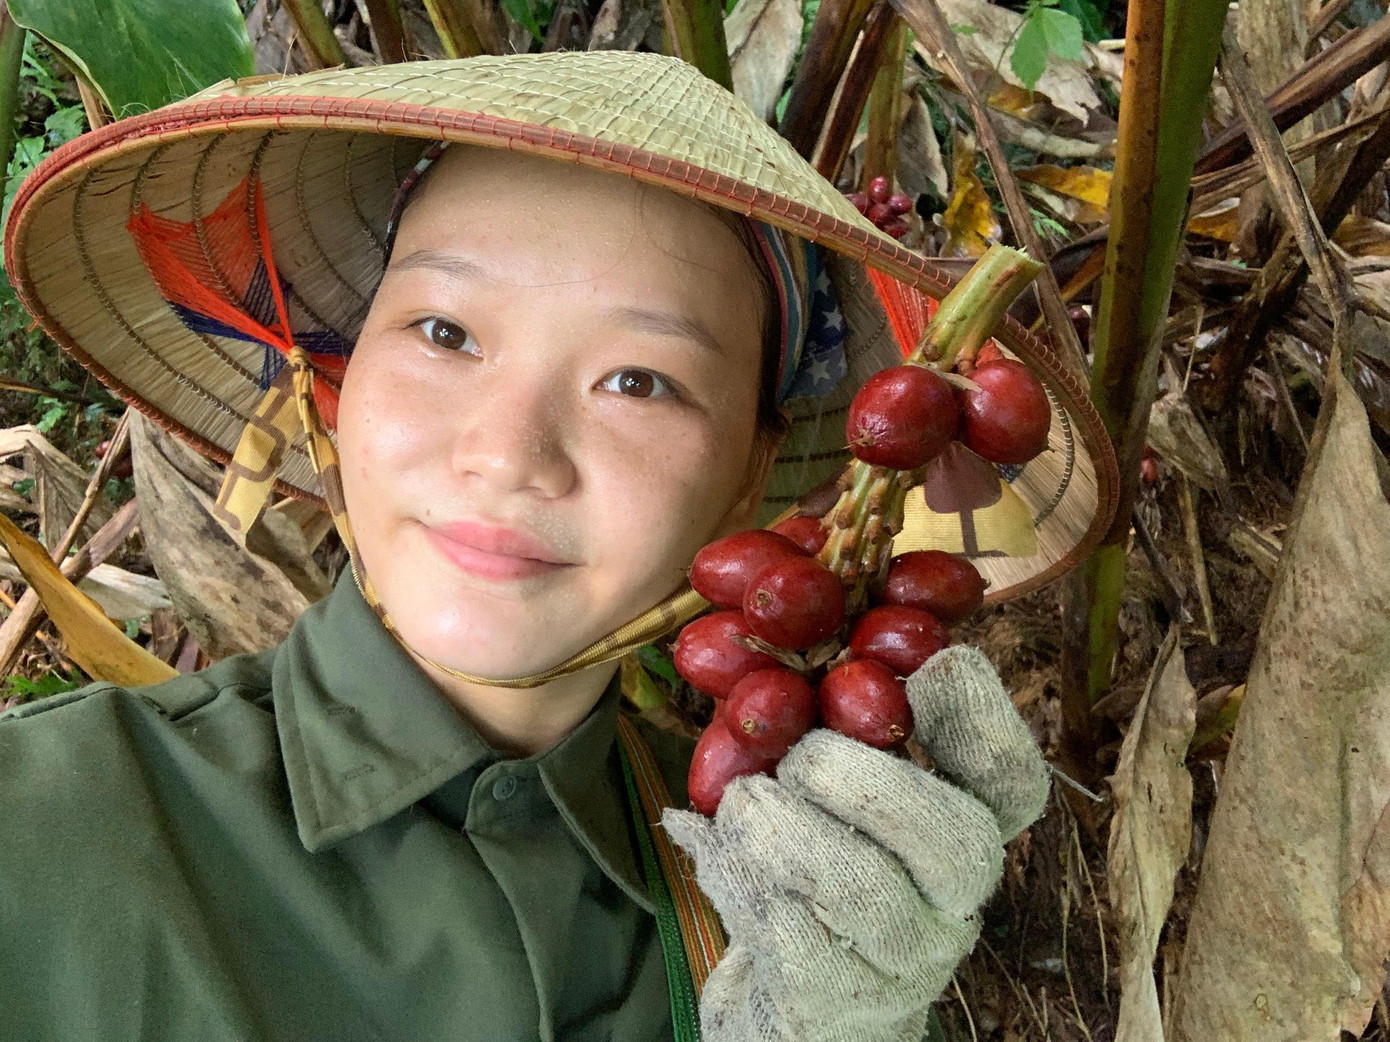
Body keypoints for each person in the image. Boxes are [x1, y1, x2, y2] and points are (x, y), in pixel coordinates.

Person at [0, 51, 1113, 1042]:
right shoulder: (41, 824)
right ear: (335, 380)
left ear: (752, 476)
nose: (508, 453)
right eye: (444, 332)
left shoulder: (778, 891)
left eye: (638, 381)